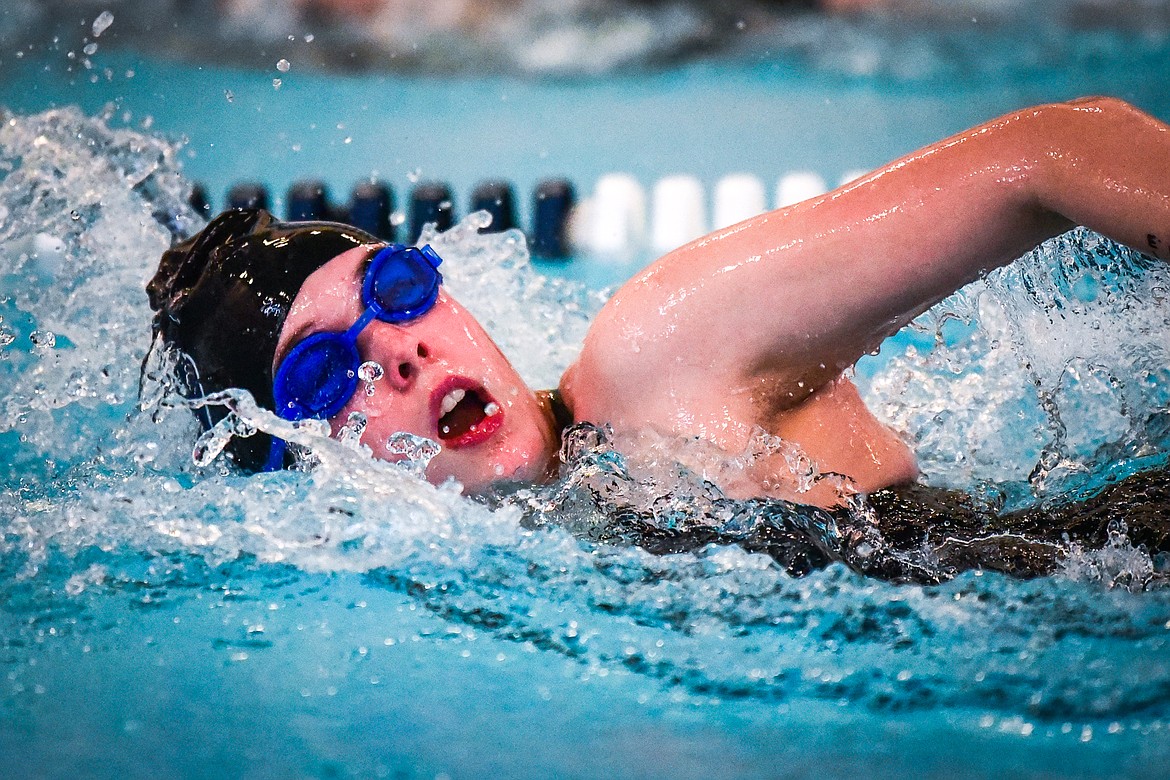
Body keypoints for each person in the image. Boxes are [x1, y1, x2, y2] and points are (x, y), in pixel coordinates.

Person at [148, 96, 1170, 577]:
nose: (400, 351)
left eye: (398, 289)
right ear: (298, 467)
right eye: (330, 372)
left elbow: (1054, 152)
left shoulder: (656, 357)